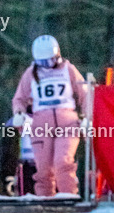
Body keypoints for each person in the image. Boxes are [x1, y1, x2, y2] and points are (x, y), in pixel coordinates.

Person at [11, 35, 86, 197]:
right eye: (43, 63)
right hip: (41, 124)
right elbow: (19, 98)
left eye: (51, 61)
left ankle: (69, 197)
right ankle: (45, 202)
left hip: (67, 122)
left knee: (63, 163)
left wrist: (88, 116)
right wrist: (18, 113)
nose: (48, 66)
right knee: (43, 170)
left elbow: (85, 93)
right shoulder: (30, 73)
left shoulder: (68, 69)